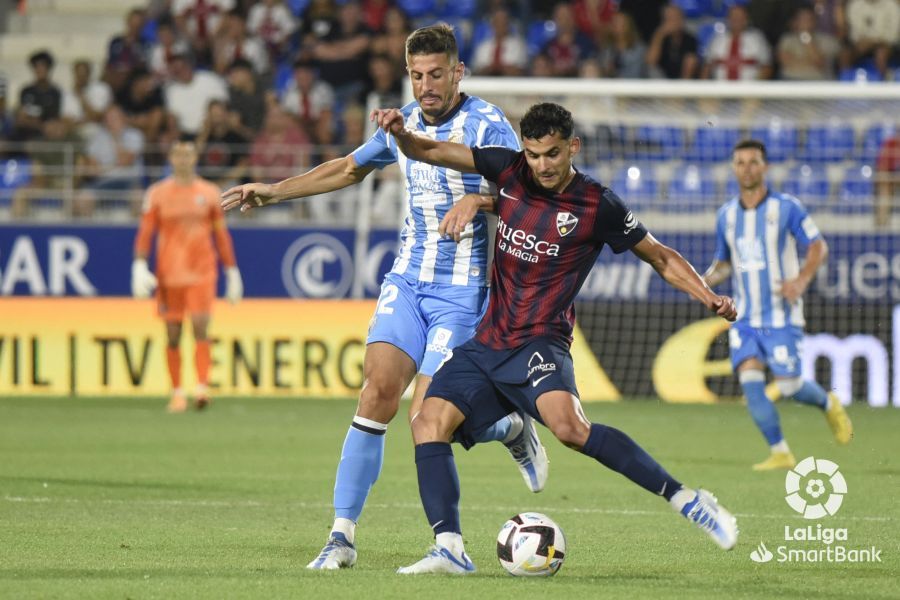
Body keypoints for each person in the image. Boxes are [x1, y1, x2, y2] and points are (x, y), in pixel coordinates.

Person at [221, 24, 549, 570]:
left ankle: (507, 436)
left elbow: (527, 195)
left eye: (437, 74)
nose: (426, 85)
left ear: (458, 71)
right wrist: (273, 189)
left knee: (431, 417)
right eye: (417, 75)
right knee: (376, 393)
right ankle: (341, 539)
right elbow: (350, 167)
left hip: (464, 291)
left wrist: (481, 204)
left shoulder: (488, 125)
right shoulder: (405, 121)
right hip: (407, 282)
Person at [373, 102, 740, 574]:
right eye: (533, 154)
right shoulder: (508, 169)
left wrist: (707, 295)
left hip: (540, 343)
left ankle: (687, 498)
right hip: (489, 340)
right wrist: (402, 134)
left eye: (551, 154)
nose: (542, 165)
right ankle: (450, 549)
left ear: (573, 147)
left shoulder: (597, 205)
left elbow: (660, 256)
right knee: (426, 423)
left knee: (569, 429)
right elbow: (429, 149)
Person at [702, 139, 853, 471]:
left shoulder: (786, 208)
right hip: (745, 317)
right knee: (750, 381)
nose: (747, 168)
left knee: (789, 386)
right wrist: (703, 282)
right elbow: (724, 263)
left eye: (753, 162)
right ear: (733, 168)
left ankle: (828, 402)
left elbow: (817, 247)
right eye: (740, 163)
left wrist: (800, 280)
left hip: (782, 315)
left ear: (765, 167)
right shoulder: (726, 215)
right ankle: (781, 451)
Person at [132, 139, 244, 413]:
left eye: (188, 155)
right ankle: (177, 392)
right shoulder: (157, 193)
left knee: (201, 328)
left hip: (202, 273)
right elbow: (146, 232)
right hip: (169, 274)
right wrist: (138, 265)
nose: (183, 159)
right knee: (172, 334)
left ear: (195, 159)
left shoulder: (208, 192)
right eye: (178, 154)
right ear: (171, 158)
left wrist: (232, 271)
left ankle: (202, 387)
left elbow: (221, 234)